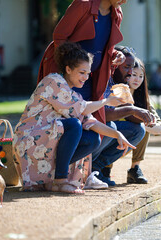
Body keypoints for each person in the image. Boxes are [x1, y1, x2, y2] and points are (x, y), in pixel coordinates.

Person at [13, 42, 135, 194]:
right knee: (73, 125)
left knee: (93, 139)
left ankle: (51, 179)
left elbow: (91, 121)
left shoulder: (72, 95)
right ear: (68, 69)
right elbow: (82, 108)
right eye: (82, 72)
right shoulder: (53, 81)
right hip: (30, 140)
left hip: (45, 142)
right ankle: (60, 181)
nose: (85, 78)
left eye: (88, 73)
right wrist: (107, 101)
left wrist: (118, 135)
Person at [37, 0, 127, 125]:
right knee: (66, 124)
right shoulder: (83, 4)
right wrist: (70, 70)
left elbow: (104, 46)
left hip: (91, 78)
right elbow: (59, 36)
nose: (125, 1)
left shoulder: (117, 13)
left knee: (93, 128)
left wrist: (116, 55)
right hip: (67, 76)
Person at [91, 46, 156, 186]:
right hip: (90, 128)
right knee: (110, 126)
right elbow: (103, 115)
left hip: (105, 131)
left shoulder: (122, 84)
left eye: (133, 68)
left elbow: (125, 112)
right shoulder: (105, 80)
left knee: (139, 130)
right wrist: (133, 110)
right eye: (127, 67)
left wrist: (145, 117)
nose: (131, 73)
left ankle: (96, 167)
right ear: (115, 65)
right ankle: (92, 168)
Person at [125, 57, 161, 184]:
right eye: (133, 75)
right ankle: (105, 169)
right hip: (112, 140)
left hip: (131, 139)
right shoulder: (116, 94)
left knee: (142, 126)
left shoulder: (144, 100)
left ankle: (134, 169)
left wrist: (142, 126)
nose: (137, 79)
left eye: (141, 76)